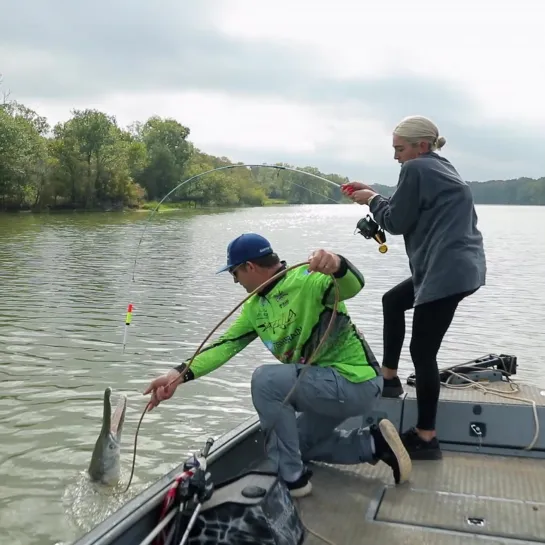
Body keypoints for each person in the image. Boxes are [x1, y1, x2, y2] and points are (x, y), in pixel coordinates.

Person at [144, 233, 412, 498]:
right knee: (296, 444)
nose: (235, 280)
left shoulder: (308, 279)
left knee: (265, 380)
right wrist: (177, 375)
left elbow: (354, 285)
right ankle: (373, 443)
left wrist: (337, 263)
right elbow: (224, 346)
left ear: (249, 267)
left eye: (234, 273)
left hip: (356, 383)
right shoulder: (254, 308)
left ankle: (292, 481)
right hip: (323, 389)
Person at [341, 115, 487, 461]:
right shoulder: (439, 166)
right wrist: (374, 195)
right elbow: (406, 206)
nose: (396, 157)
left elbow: (394, 221)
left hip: (445, 273)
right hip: (460, 268)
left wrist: (371, 200)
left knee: (423, 354)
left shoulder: (417, 168)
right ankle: (388, 378)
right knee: (393, 301)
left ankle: (425, 437)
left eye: (399, 149)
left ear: (421, 146)